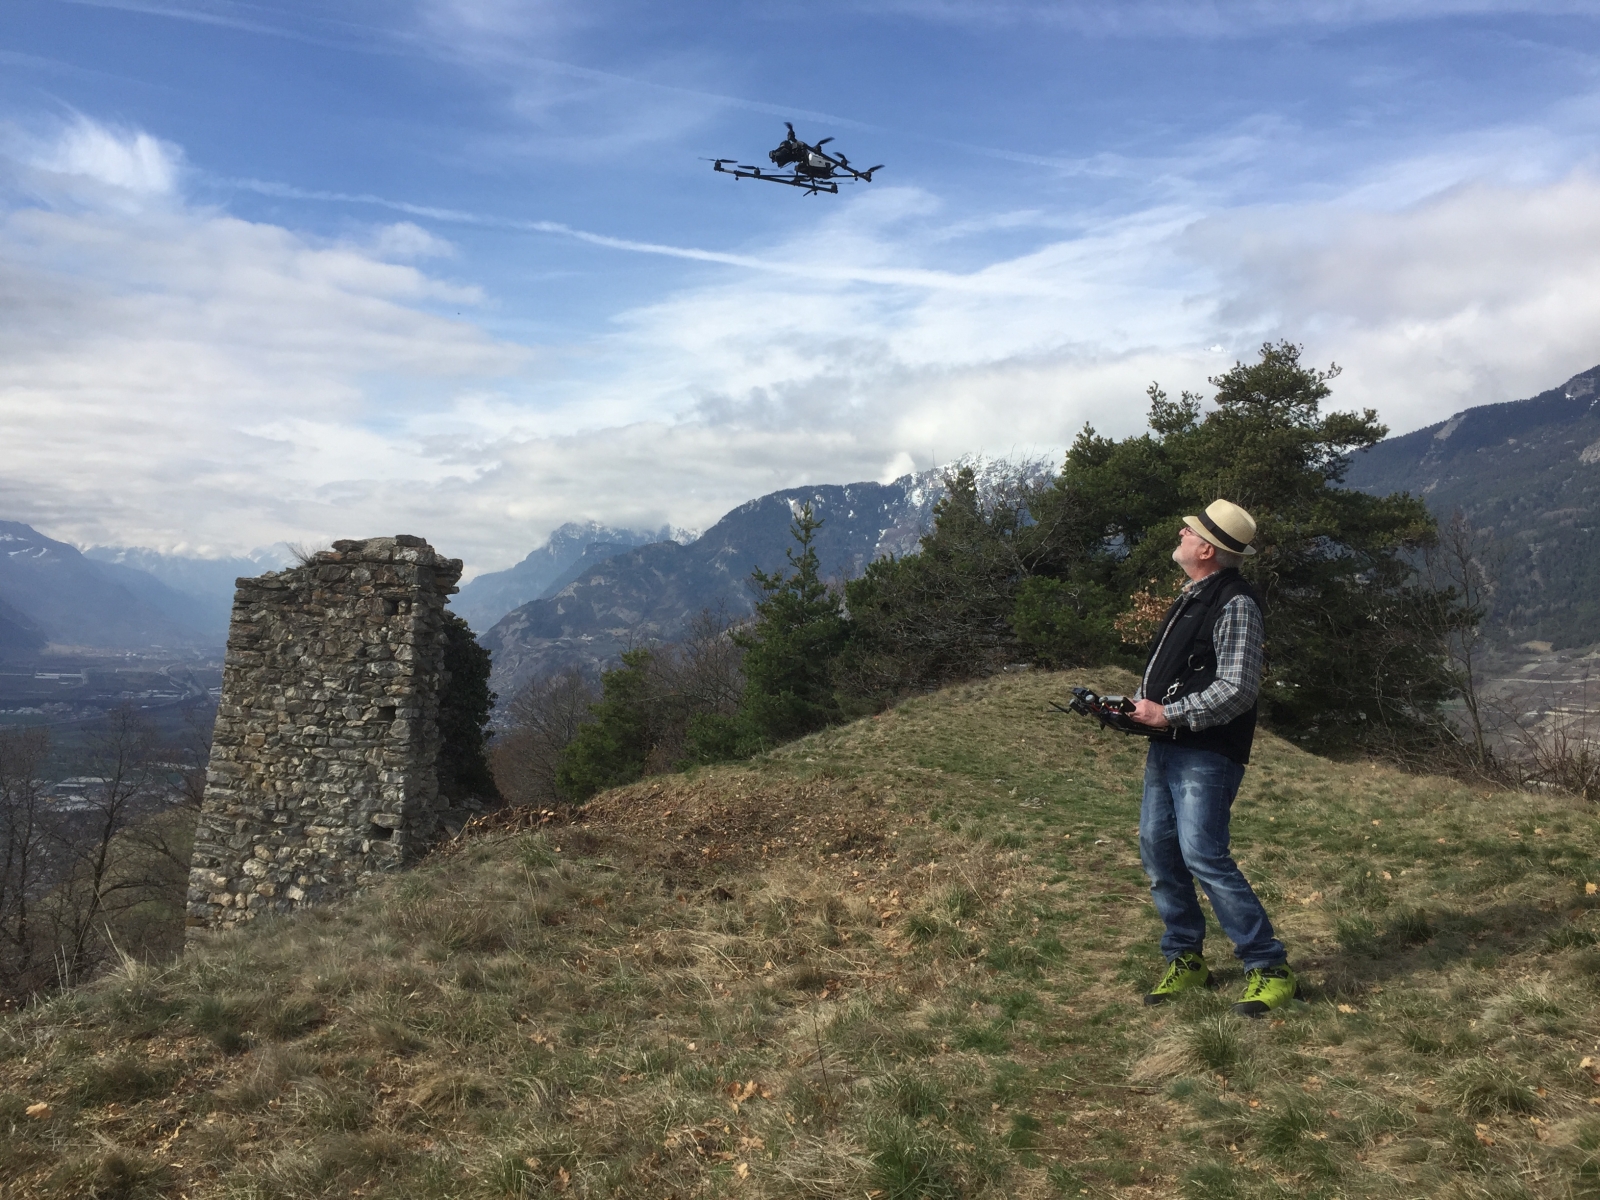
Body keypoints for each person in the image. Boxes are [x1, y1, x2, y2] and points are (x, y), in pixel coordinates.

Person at [1129, 500, 1295, 1017]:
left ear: (1207, 549)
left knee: (1203, 855)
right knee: (1159, 852)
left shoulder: (1235, 603)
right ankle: (1186, 957)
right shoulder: (1194, 597)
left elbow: (1238, 689)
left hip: (1206, 750)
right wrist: (1135, 707)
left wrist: (1170, 714)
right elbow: (1178, 673)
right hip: (1171, 746)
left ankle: (1268, 966)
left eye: (1192, 530)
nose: (1181, 531)